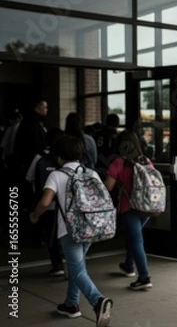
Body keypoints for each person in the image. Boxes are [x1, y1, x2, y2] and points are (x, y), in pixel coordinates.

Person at [28, 135, 113, 327]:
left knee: (77, 269)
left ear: (59, 157)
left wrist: (34, 216)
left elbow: (44, 202)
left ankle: (98, 301)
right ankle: (71, 305)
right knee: (78, 268)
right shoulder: (91, 173)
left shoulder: (56, 175)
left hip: (69, 231)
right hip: (92, 227)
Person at [104, 129, 154, 290]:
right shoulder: (146, 161)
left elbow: (108, 186)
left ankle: (145, 278)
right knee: (135, 237)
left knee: (136, 241)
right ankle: (128, 265)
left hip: (129, 207)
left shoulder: (118, 163)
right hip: (146, 207)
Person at [25, 127, 66, 276]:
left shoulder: (39, 157)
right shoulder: (66, 158)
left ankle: (57, 264)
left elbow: (29, 178)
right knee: (65, 234)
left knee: (51, 235)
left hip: (47, 204)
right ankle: (69, 264)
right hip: (65, 204)